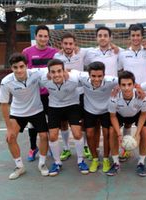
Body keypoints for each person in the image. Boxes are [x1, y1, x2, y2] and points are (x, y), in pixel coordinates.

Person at [0, 53, 49, 180]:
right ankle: (19, 166)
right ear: (11, 68)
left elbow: (54, 68)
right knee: (10, 138)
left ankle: (42, 164)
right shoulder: (6, 82)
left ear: (27, 66)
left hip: (37, 110)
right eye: (15, 67)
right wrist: (8, 128)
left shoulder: (36, 73)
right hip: (18, 112)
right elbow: (4, 105)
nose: (19, 70)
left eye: (21, 66)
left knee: (44, 136)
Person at [39, 59, 89, 176]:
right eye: (53, 72)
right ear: (49, 73)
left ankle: (80, 160)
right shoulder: (44, 79)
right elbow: (29, 72)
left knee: (77, 133)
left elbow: (92, 75)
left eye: (59, 71)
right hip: (54, 107)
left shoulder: (74, 78)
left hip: (72, 105)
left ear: (64, 70)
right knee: (52, 135)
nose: (56, 74)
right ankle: (57, 162)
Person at [118, 23, 146, 162]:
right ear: (129, 36)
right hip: (128, 95)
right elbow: (120, 71)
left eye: (138, 35)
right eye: (133, 35)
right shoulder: (122, 54)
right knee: (127, 123)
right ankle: (125, 149)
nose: (135, 38)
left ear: (142, 36)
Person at [72, 61, 118, 173]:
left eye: (99, 76)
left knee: (107, 133)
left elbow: (129, 80)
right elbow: (71, 72)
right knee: (89, 134)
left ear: (104, 75)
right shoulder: (82, 78)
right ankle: (95, 159)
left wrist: (138, 90)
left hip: (106, 110)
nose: (96, 79)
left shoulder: (111, 80)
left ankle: (106, 159)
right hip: (90, 110)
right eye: (93, 76)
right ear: (88, 74)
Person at [22, 25, 59, 162]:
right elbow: (22, 71)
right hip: (34, 94)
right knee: (32, 123)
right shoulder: (27, 52)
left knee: (50, 122)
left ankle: (48, 146)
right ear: (35, 37)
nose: (43, 38)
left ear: (48, 38)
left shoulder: (55, 52)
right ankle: (33, 148)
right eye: (40, 35)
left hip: (50, 94)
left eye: (45, 36)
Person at [54, 32, 91, 161]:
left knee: (82, 122)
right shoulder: (57, 56)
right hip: (64, 94)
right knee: (63, 123)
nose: (68, 46)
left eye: (71, 43)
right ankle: (66, 148)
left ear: (75, 45)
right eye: (65, 43)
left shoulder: (82, 53)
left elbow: (98, 48)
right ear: (61, 44)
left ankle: (85, 146)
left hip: (80, 93)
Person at [107, 71, 146, 177]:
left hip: (136, 114)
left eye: (129, 84)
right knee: (112, 131)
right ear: (119, 86)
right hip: (120, 114)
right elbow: (113, 116)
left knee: (144, 131)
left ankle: (141, 163)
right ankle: (116, 163)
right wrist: (119, 134)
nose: (126, 88)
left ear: (134, 85)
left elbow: (143, 115)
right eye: (123, 85)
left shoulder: (142, 96)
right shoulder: (114, 97)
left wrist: (137, 133)